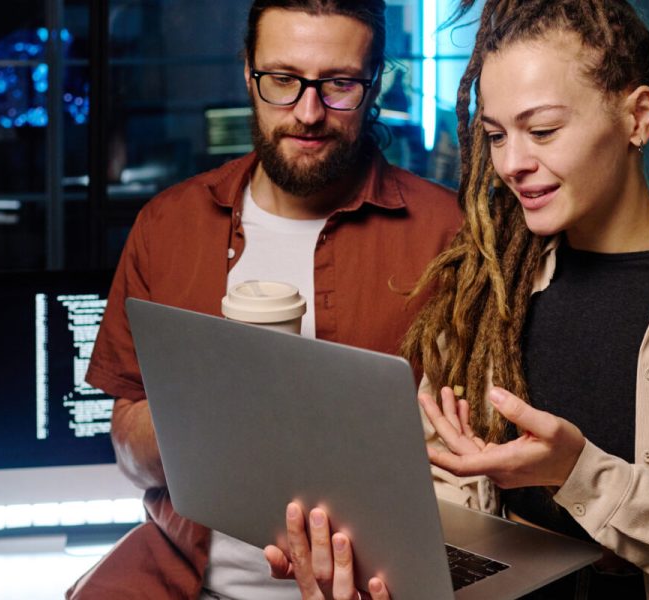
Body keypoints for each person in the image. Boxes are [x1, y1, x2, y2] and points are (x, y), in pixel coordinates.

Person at [264, 1, 649, 598]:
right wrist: (358, 564)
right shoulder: (484, 293)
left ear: (638, 117)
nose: (513, 163)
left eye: (543, 130)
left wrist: (580, 475)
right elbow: (442, 510)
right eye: (495, 135)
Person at [67, 1, 461, 598]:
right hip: (182, 580)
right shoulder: (168, 225)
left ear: (375, 82)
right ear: (246, 70)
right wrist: (211, 408)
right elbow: (126, 446)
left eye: (338, 85)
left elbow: (478, 462)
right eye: (281, 80)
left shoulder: (446, 234)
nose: (308, 113)